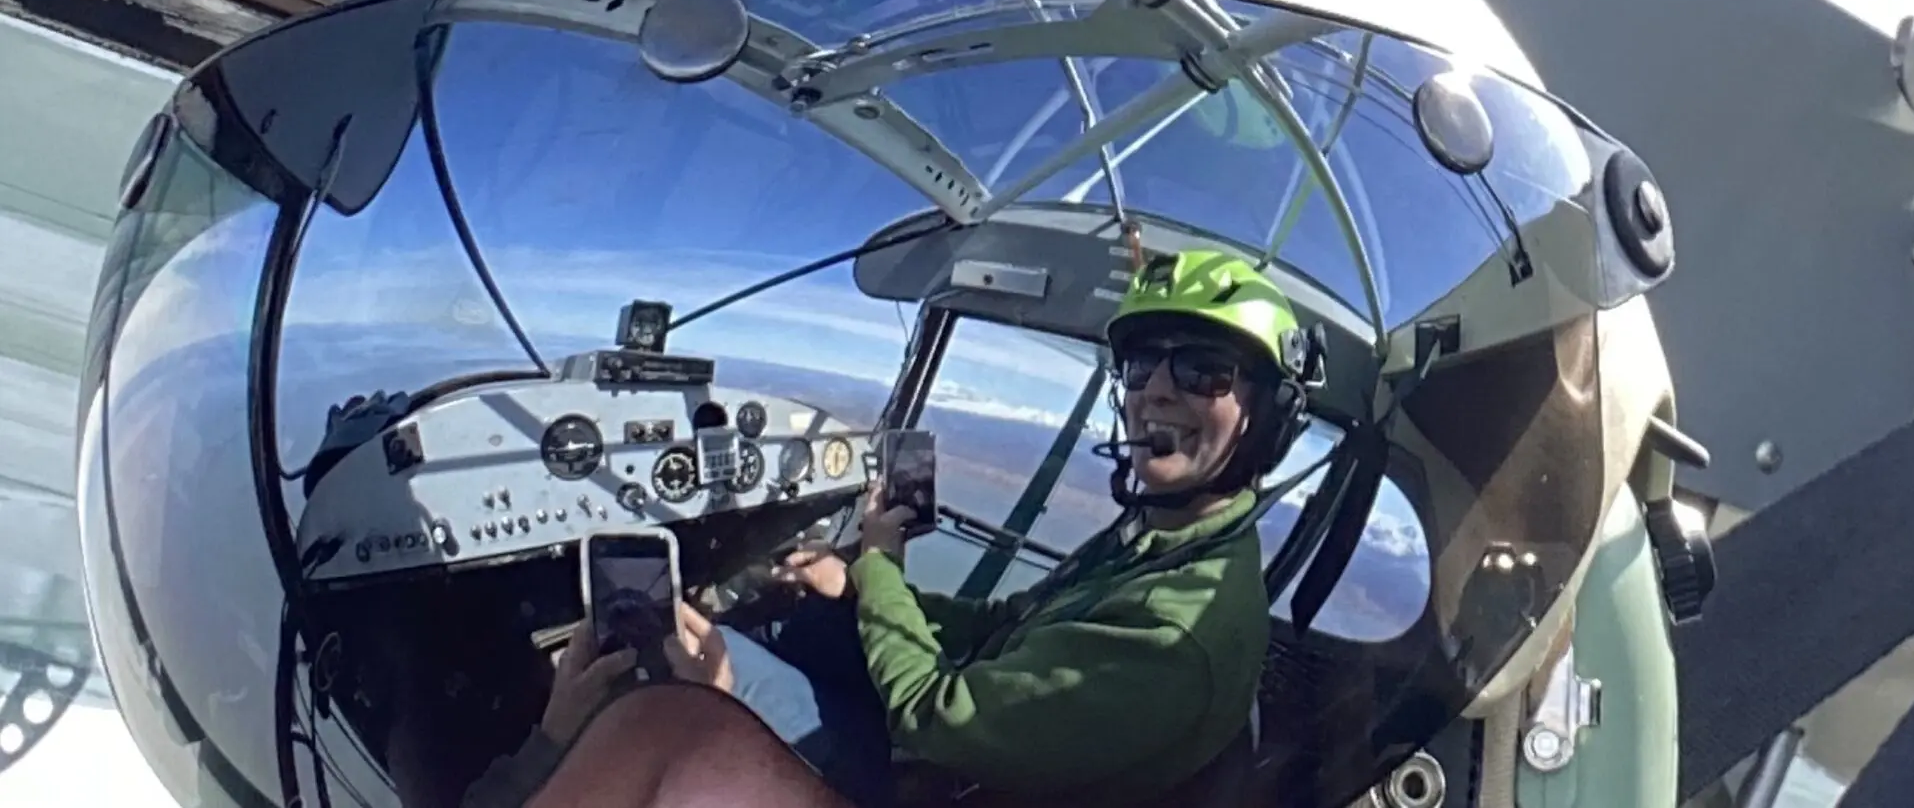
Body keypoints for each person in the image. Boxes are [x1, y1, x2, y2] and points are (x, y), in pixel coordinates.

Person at [466, 249, 1313, 807]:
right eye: (1141, 363)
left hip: (938, 779)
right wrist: (865, 580)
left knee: (665, 701)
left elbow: (939, 714)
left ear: (1269, 419)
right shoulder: (1163, 542)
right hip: (967, 759)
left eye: (1203, 369)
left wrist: (874, 569)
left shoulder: (1175, 632)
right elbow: (1004, 629)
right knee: (803, 614)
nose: (1156, 388)